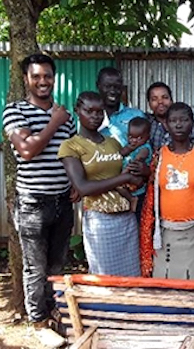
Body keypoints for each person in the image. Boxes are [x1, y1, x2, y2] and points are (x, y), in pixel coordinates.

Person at [2, 54, 75, 348]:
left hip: (62, 201)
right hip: (32, 201)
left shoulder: (65, 116)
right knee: (35, 266)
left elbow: (70, 153)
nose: (42, 81)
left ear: (53, 78)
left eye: (47, 76)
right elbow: (27, 150)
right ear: (26, 79)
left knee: (57, 263)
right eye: (36, 76)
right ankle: (39, 321)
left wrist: (75, 183)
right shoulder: (15, 111)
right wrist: (54, 122)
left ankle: (55, 313)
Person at [58, 92, 143, 277]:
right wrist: (124, 179)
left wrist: (137, 174)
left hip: (126, 219)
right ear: (77, 110)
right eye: (89, 111)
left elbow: (128, 172)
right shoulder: (71, 146)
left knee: (132, 278)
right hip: (100, 221)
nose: (95, 117)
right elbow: (83, 188)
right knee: (105, 279)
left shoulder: (112, 142)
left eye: (99, 112)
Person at [140, 102, 194, 280]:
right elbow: (151, 198)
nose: (178, 125)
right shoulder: (159, 157)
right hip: (165, 233)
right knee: (166, 285)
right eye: (173, 120)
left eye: (184, 120)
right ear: (166, 125)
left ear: (192, 123)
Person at [96, 67, 146, 147]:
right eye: (107, 86)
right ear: (98, 86)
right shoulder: (92, 117)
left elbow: (146, 146)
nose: (112, 91)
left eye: (117, 87)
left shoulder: (136, 116)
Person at [146, 82, 194, 151]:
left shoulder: (187, 125)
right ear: (149, 104)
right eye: (154, 99)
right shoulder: (147, 124)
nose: (160, 102)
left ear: (171, 100)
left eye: (165, 97)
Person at [118, 116, 153, 219]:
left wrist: (122, 175)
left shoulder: (144, 148)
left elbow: (135, 162)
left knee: (116, 185)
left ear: (147, 137)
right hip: (128, 179)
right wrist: (127, 148)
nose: (134, 141)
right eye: (131, 137)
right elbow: (120, 154)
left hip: (136, 180)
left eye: (139, 138)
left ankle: (132, 199)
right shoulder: (130, 145)